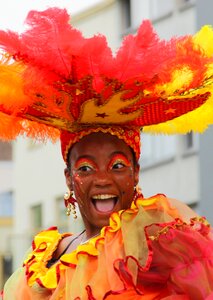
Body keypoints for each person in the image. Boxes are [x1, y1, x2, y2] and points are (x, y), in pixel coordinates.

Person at [0, 7, 213, 300]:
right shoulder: (44, 260)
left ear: (135, 172)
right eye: (85, 168)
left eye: (116, 165)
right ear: (68, 178)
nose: (102, 179)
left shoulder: (160, 242)